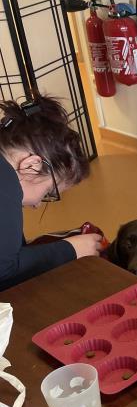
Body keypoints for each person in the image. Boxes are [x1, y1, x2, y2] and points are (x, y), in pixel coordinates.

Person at [0, 95, 101, 292]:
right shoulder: (5, 185)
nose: (37, 204)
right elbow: (4, 270)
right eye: (48, 192)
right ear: (31, 166)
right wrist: (70, 249)